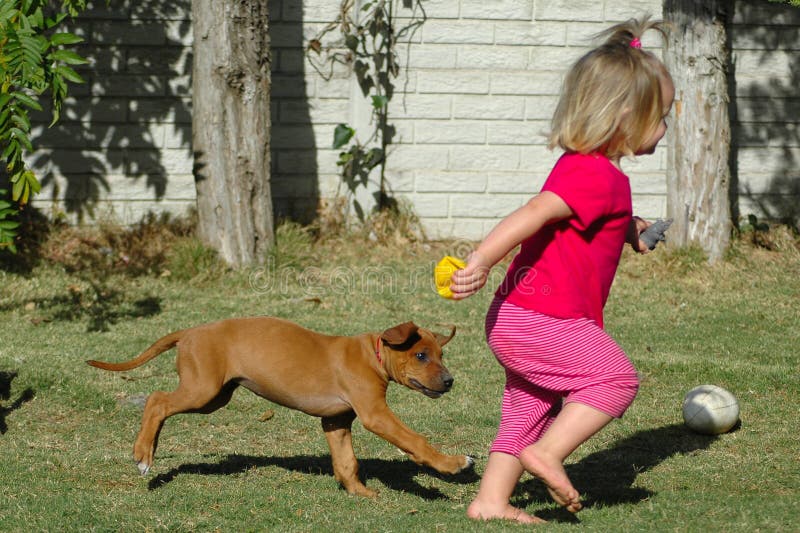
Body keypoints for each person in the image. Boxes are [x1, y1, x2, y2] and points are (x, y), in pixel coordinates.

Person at [449, 17, 675, 524]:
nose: (665, 128)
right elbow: (537, 211)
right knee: (614, 379)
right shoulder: (595, 173)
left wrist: (633, 229)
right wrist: (483, 259)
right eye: (661, 116)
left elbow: (593, 218)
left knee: (528, 407)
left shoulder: (593, 170)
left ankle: (490, 501)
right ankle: (548, 455)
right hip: (547, 317)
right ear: (623, 117)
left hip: (517, 317)